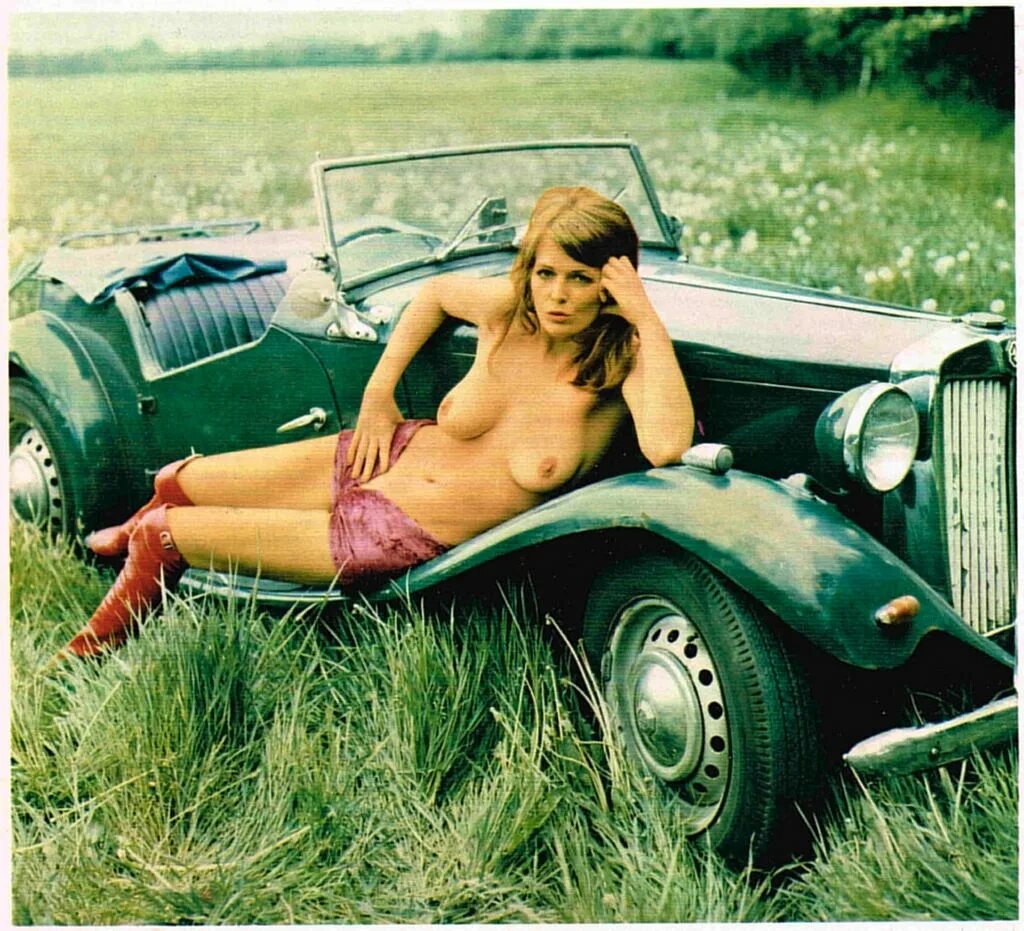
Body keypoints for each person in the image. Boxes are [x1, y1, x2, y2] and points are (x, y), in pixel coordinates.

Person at [58, 186, 694, 660]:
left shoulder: (624, 358)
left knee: (167, 535)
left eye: (580, 279)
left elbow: (668, 446)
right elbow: (435, 295)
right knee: (181, 479)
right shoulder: (510, 310)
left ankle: (83, 658)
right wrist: (378, 393)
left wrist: (645, 316)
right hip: (385, 455)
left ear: (613, 283)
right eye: (546, 273)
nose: (557, 295)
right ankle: (121, 541)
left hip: (393, 532)